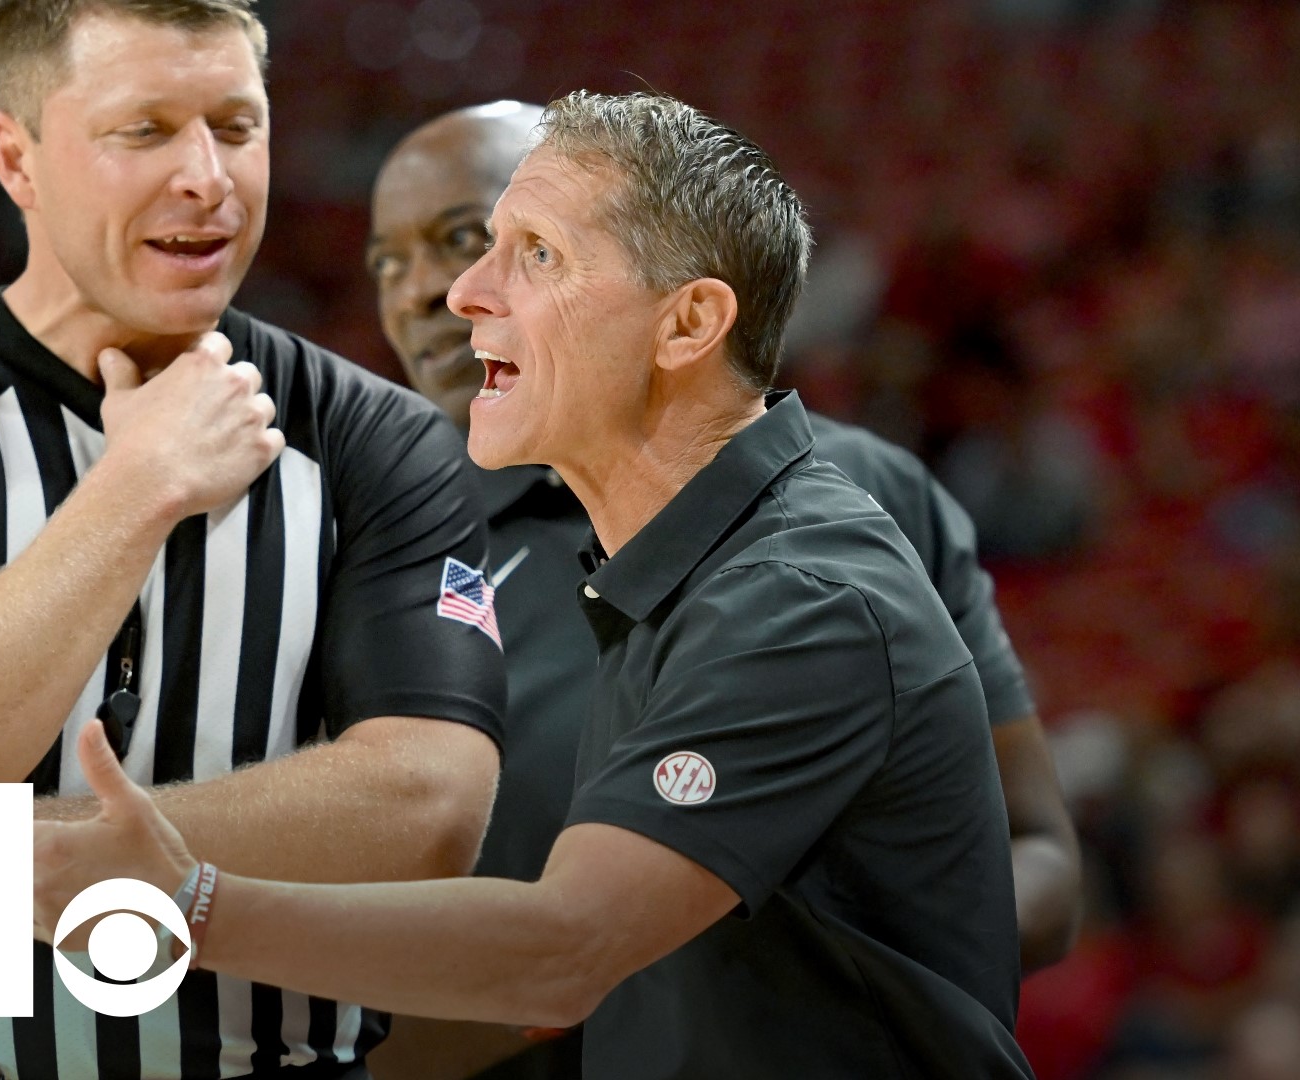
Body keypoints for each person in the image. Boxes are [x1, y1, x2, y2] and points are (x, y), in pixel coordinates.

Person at [32, 89, 1038, 1079]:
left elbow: (561, 954)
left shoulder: (798, 595)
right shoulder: (670, 573)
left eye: (536, 254)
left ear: (687, 323)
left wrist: (186, 903)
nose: (465, 292)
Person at [0, 2, 506, 1077]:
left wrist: (14, 856)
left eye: (237, 126)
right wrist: (138, 487)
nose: (208, 178)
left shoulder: (380, 439)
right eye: (142, 131)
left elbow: (428, 807)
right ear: (19, 158)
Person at [360, 102, 1084, 1078]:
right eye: (387, 264)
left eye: (494, 242)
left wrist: (664, 960)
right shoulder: (375, 552)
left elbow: (1031, 854)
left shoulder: (848, 516)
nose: (434, 294)